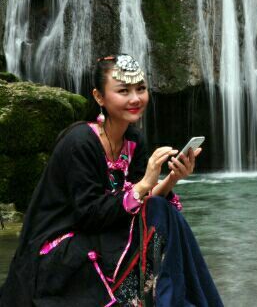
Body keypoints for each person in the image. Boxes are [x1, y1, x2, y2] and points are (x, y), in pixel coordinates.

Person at [0, 54, 224, 306]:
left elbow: (140, 205)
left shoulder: (134, 140)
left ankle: (169, 298)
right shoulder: (80, 142)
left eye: (141, 89)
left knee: (162, 210)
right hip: (62, 247)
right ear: (99, 97)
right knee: (159, 211)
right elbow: (89, 214)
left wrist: (172, 177)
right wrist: (144, 183)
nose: (135, 98)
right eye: (123, 91)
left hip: (106, 235)